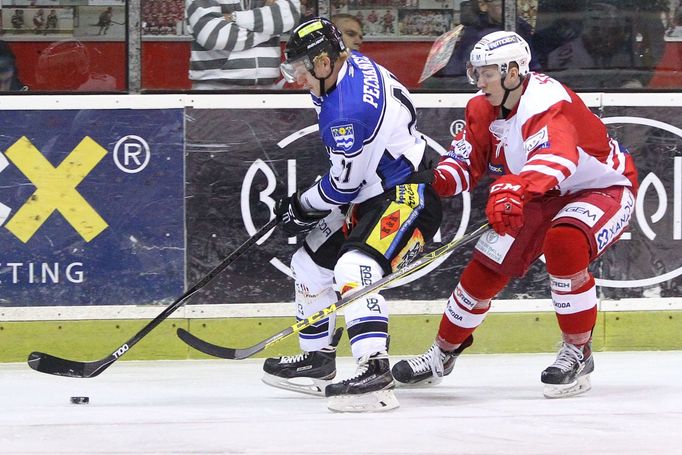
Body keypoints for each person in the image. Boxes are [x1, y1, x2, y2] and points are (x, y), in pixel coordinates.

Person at [392, 30, 638, 399]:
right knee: (486, 268)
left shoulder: (548, 102)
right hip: (540, 190)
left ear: (512, 72)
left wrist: (514, 188)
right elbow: (467, 162)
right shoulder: (481, 107)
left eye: (486, 73)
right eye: (475, 73)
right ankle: (442, 354)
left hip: (601, 187)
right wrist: (436, 179)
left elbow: (557, 157)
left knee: (565, 242)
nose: (478, 81)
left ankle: (578, 351)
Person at [261, 17, 442, 412]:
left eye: (300, 69)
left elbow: (342, 187)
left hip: (408, 195)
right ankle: (318, 360)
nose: (297, 79)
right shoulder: (349, 64)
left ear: (324, 63)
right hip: (373, 193)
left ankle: (375, 371)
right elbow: (351, 179)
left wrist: (301, 205)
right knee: (308, 263)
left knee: (354, 267)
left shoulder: (347, 111)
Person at [185, 0, 301, 90]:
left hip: (266, 90)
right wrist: (270, 29)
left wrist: (233, 18)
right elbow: (212, 35)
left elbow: (291, 13)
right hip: (216, 91)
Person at [423, 0, 536, 89]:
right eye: (501, 2)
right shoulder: (476, 36)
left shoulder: (520, 28)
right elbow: (458, 77)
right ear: (483, 5)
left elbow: (533, 65)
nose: (513, 8)